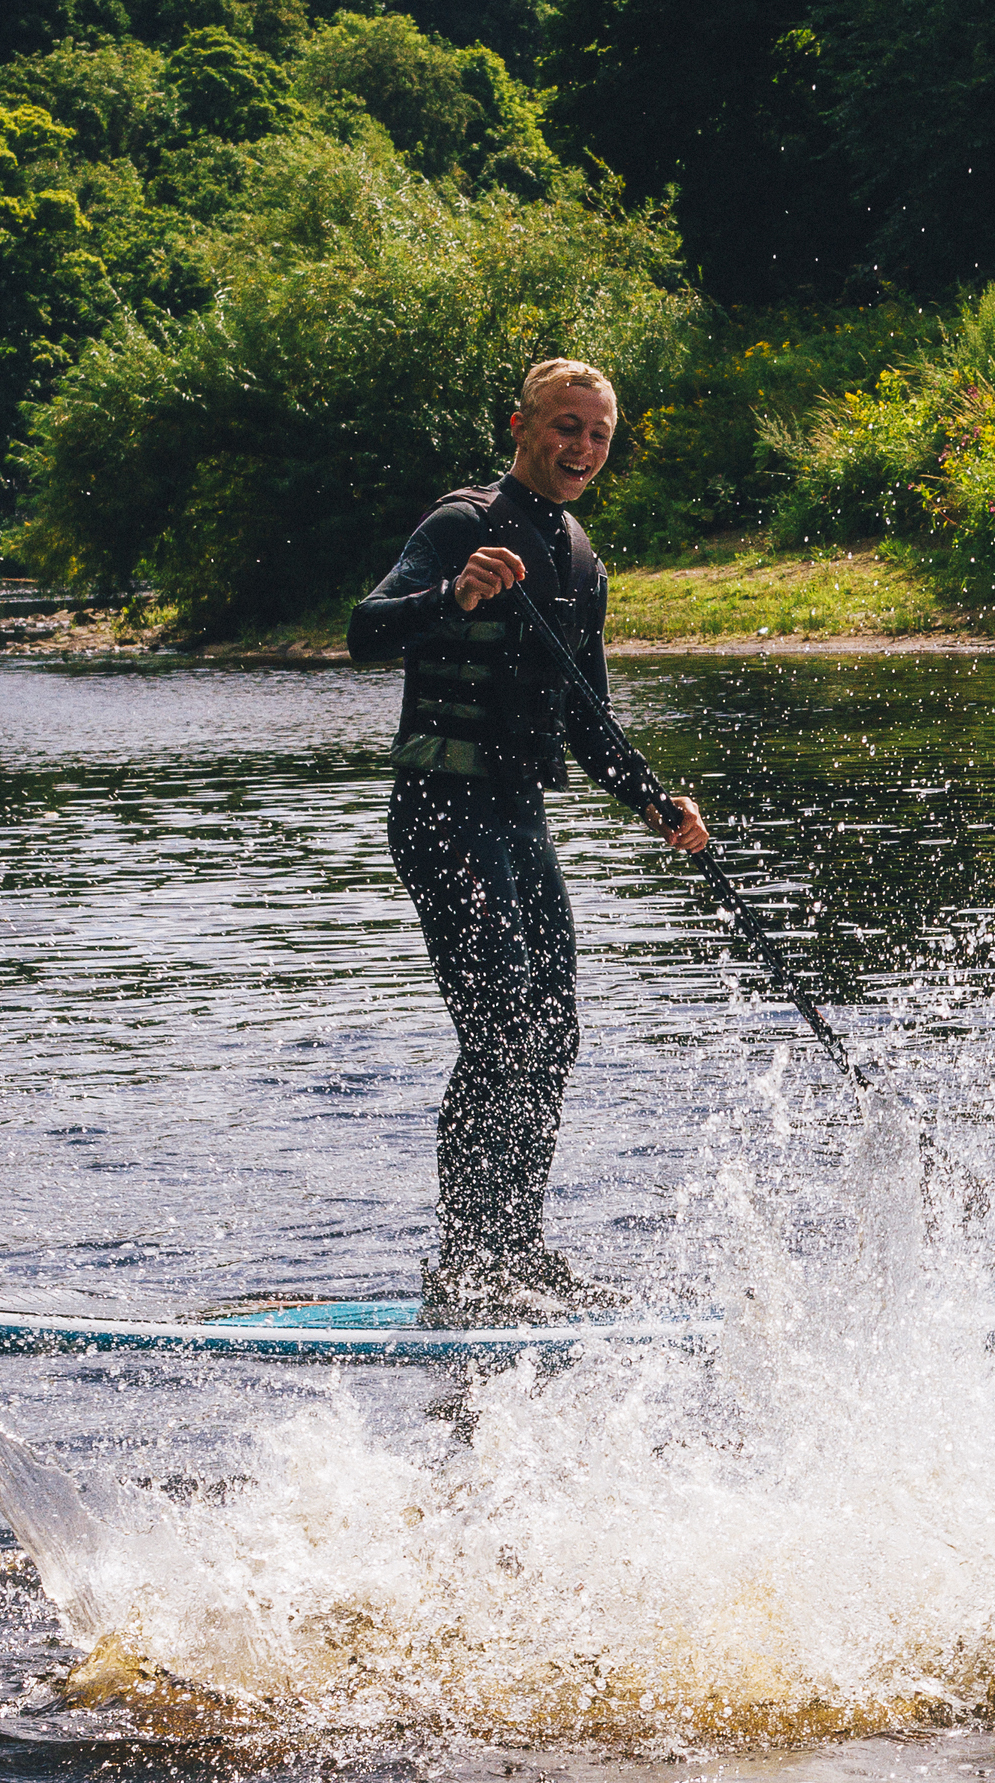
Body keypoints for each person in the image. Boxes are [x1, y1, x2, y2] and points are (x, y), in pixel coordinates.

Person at [350, 358, 712, 1326]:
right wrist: (451, 598)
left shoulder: (582, 555)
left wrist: (654, 799)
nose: (582, 447)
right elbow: (364, 630)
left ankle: (519, 1249)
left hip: (518, 817)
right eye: (565, 426)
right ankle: (467, 1269)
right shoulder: (461, 523)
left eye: (598, 433)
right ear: (521, 426)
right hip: (441, 811)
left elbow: (588, 716)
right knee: (502, 1028)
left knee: (552, 1036)